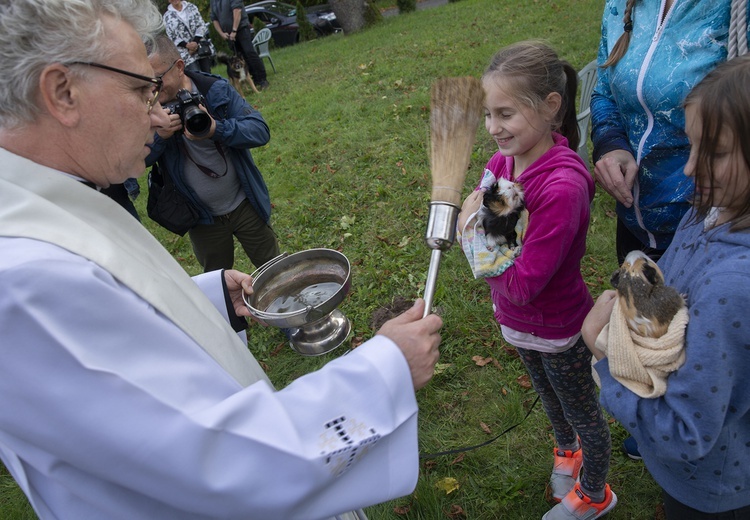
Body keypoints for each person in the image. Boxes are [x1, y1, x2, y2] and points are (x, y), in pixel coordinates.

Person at [0, 1, 443, 519]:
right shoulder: (23, 282)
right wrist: (384, 373)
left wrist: (206, 301)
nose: (154, 110)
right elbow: (203, 462)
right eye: (140, 90)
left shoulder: (51, 204)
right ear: (63, 93)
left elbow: (116, 342)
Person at [583, 55, 750, 519]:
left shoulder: (733, 287)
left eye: (714, 153)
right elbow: (673, 283)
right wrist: (641, 270)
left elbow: (682, 432)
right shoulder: (711, 210)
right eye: (690, 146)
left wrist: (604, 354)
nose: (691, 169)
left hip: (711, 488)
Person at [458, 41, 616, 520]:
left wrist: (473, 237)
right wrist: (477, 212)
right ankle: (565, 451)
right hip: (517, 323)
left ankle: (594, 492)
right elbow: (484, 196)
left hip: (558, 329)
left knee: (583, 411)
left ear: (550, 106)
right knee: (549, 399)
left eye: (505, 114)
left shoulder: (561, 186)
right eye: (488, 114)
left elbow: (525, 283)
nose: (492, 128)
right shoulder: (506, 163)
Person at [146, 34, 279, 272]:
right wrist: (160, 137)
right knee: (220, 286)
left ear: (179, 67)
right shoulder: (148, 106)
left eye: (157, 79)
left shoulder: (214, 90)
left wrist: (217, 128)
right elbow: (135, 161)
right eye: (146, 81)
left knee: (275, 271)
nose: (152, 88)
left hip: (244, 204)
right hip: (201, 219)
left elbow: (260, 131)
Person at [210, 0, 269, 90]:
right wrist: (221, 33)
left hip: (241, 28)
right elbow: (214, 19)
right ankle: (251, 79)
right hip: (228, 33)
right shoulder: (213, 1)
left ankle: (262, 79)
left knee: (249, 52)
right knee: (239, 58)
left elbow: (237, 10)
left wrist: (234, 30)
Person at [163, 0, 215, 74]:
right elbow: (172, 36)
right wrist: (187, 45)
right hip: (186, 53)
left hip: (201, 47)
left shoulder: (192, 8)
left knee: (207, 75)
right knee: (196, 76)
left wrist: (195, 42)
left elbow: (201, 25)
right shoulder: (167, 16)